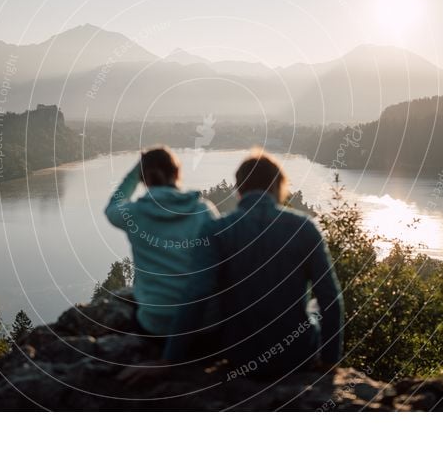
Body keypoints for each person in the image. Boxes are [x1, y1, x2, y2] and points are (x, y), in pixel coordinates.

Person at [119, 149, 344, 384]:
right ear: (278, 186)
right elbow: (330, 297)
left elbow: (198, 293)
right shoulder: (304, 228)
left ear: (239, 190)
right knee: (314, 305)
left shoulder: (218, 231)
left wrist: (170, 359)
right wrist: (329, 361)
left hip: (240, 356)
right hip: (298, 356)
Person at [105, 146, 219, 340]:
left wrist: (135, 172)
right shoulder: (203, 210)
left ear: (144, 178)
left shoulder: (134, 214)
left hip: (157, 324)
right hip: (203, 324)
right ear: (177, 173)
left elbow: (112, 207)